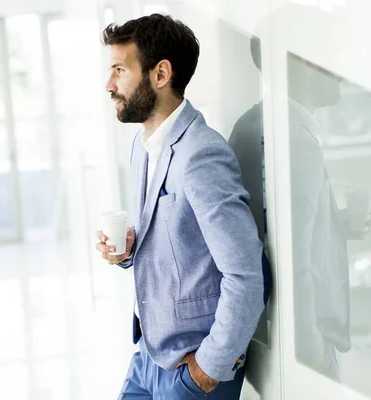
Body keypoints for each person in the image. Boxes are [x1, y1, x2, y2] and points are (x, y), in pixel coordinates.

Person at [94, 14, 266, 399]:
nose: (109, 85)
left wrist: (210, 367)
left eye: (120, 70)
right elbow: (175, 240)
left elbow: (246, 274)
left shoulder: (201, 155)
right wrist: (127, 250)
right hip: (148, 355)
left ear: (160, 74)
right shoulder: (143, 144)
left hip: (191, 370)